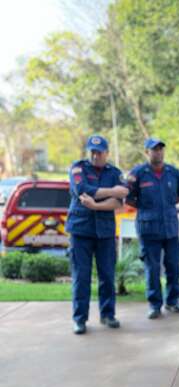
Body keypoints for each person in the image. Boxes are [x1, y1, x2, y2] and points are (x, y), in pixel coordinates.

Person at [66, 135, 129, 334]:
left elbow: (119, 201)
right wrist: (111, 191)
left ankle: (108, 314)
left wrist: (95, 205)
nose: (95, 156)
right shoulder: (78, 168)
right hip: (81, 231)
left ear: (106, 153)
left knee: (107, 276)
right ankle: (80, 319)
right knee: (81, 277)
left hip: (105, 233)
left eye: (99, 152)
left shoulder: (114, 172)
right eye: (92, 152)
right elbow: (81, 189)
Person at [126, 138, 179, 319]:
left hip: (170, 228)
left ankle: (173, 301)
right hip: (148, 229)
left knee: (173, 267)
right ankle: (154, 305)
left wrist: (165, 208)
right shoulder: (138, 173)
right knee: (152, 269)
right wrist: (148, 209)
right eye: (154, 150)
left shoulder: (173, 172)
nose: (158, 152)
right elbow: (129, 198)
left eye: (160, 149)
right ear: (147, 152)